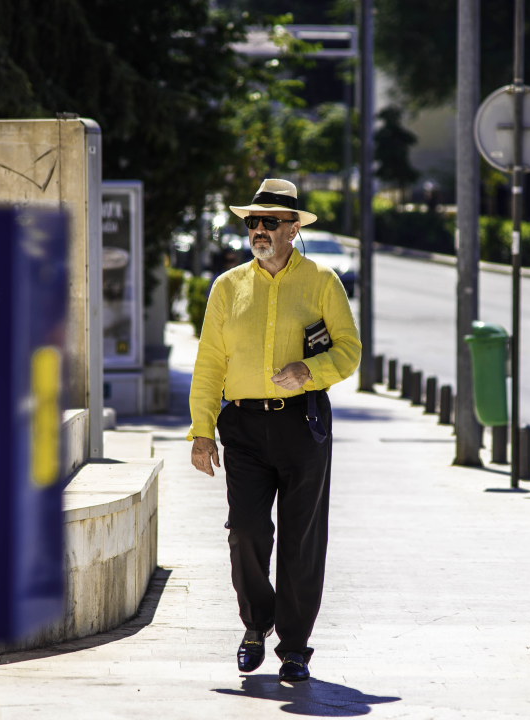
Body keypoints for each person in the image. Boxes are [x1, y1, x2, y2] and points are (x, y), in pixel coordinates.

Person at [187, 178, 361, 682]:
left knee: (302, 539)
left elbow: (349, 350)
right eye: (252, 222)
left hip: (302, 424)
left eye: (270, 222)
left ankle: (296, 646)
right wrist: (202, 431)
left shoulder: (323, 282)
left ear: (292, 229)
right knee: (245, 530)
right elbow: (208, 364)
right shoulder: (227, 287)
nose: (258, 230)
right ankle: (255, 624)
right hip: (241, 425)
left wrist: (310, 371)